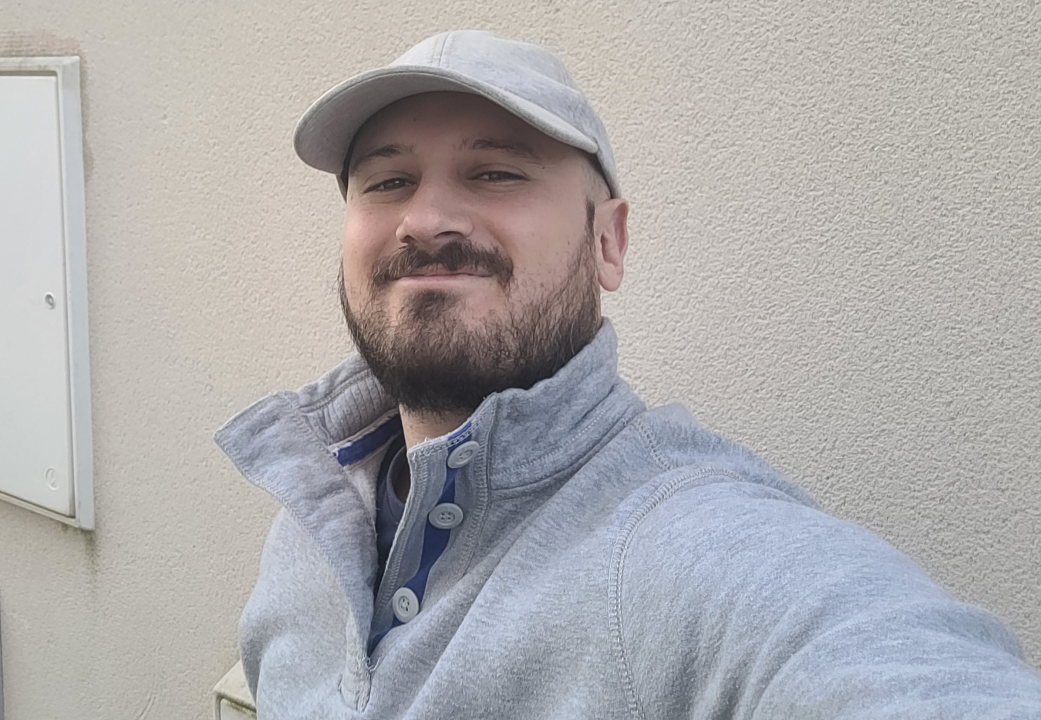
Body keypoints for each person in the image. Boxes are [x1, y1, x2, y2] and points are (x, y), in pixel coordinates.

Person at [214, 30, 1041, 719]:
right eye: (388, 181)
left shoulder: (681, 550)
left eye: (496, 172)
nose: (425, 219)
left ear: (608, 241)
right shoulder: (313, 514)